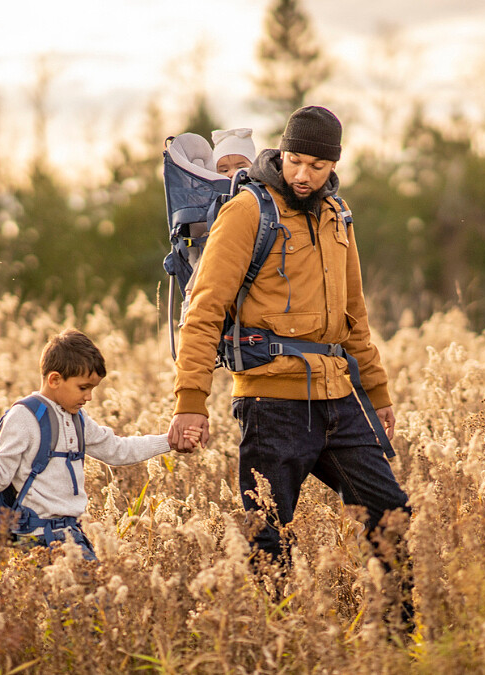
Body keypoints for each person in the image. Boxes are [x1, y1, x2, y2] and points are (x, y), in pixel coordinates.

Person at [167, 107, 411, 574]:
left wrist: (377, 393)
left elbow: (354, 315)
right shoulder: (246, 211)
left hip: (340, 398)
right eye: (295, 160)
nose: (303, 175)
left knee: (393, 517)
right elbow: (204, 310)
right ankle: (271, 641)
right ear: (281, 152)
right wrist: (190, 401)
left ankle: (399, 638)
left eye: (317, 167)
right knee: (267, 539)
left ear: (334, 166)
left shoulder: (339, 216)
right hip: (271, 402)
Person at [0, 329, 182, 560]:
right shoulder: (24, 417)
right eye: (83, 387)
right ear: (54, 380)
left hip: (71, 534)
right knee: (93, 596)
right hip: (39, 539)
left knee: (95, 595)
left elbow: (117, 451)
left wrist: (169, 441)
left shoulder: (76, 418)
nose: (89, 397)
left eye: (92, 389)